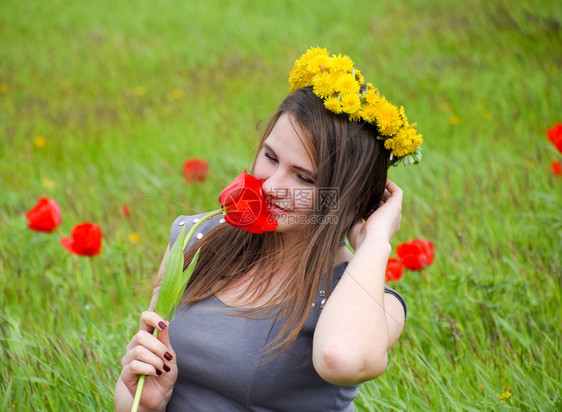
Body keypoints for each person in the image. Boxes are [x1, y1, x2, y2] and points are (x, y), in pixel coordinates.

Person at [115, 47, 422, 411]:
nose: (273, 185)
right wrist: (146, 402)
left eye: (304, 178)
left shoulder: (371, 304)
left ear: (348, 199)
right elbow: (135, 398)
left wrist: (375, 242)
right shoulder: (196, 240)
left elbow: (340, 357)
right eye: (271, 157)